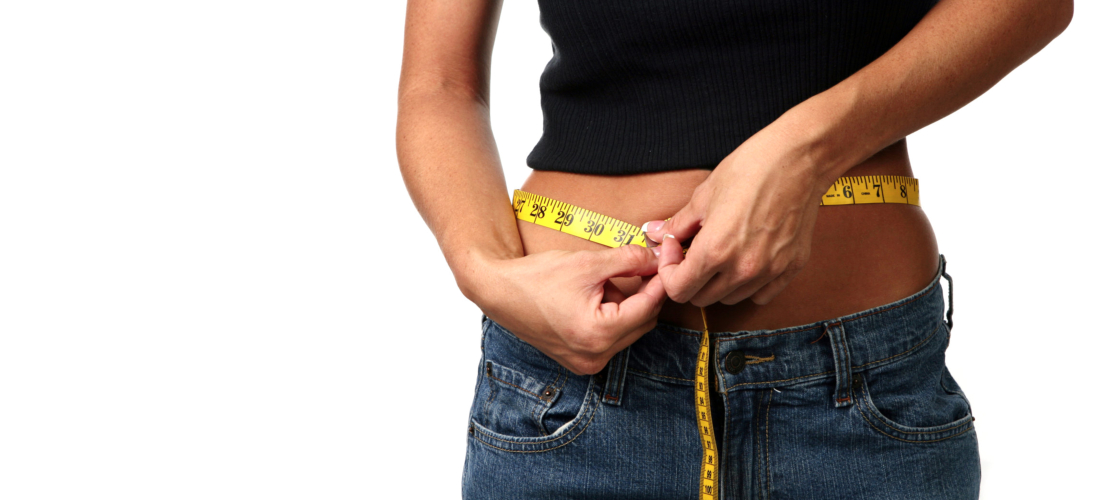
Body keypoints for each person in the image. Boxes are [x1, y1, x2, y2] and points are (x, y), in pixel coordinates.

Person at [397, 0, 1069, 497]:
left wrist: (806, 152)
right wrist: (483, 273)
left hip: (861, 402)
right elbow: (439, 87)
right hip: (568, 398)